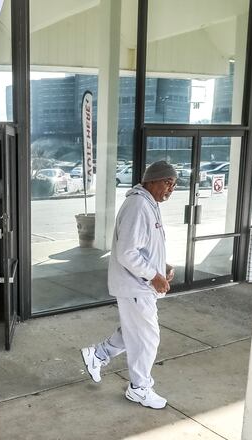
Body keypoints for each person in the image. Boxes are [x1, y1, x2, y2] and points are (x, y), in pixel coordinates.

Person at [80, 160, 177, 409]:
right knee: (147, 338)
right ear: (152, 180)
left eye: (174, 184)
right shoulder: (138, 205)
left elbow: (144, 247)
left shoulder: (148, 204)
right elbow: (126, 253)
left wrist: (162, 268)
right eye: (168, 182)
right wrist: (153, 276)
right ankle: (139, 388)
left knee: (134, 331)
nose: (171, 188)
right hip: (135, 285)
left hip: (139, 284)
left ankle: (98, 354)